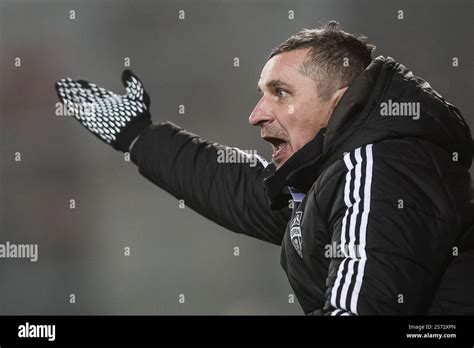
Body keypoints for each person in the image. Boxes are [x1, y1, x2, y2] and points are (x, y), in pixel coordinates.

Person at [55, 21, 474, 315]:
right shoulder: (328, 176)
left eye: (280, 92)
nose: (256, 114)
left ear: (338, 101)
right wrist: (140, 137)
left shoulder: (377, 166)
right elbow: (234, 185)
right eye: (262, 94)